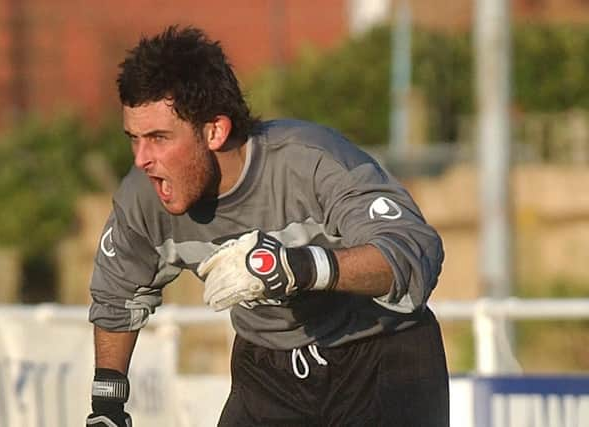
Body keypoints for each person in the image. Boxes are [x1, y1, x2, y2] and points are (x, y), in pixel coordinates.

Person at [86, 25, 449, 427]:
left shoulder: (311, 161)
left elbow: (412, 252)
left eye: (157, 137)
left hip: (380, 356)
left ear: (215, 130)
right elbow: (116, 297)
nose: (141, 159)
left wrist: (301, 267)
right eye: (133, 139)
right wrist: (106, 407)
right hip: (267, 371)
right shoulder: (143, 196)